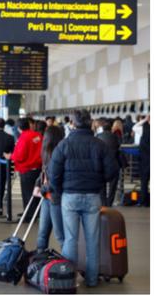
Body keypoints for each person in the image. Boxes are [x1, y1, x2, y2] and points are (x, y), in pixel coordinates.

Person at [48, 109, 119, 287]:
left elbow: (53, 172)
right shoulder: (100, 145)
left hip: (69, 197)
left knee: (71, 239)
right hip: (93, 196)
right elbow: (113, 171)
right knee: (92, 240)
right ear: (91, 122)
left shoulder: (64, 145)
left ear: (72, 123)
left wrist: (60, 190)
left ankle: (67, 279)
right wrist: (98, 181)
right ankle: (92, 280)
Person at [34, 126, 65, 251]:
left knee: (60, 235)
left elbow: (54, 179)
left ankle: (68, 265)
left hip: (54, 197)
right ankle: (39, 258)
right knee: (43, 233)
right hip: (48, 197)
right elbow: (44, 172)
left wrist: (41, 190)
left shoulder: (58, 154)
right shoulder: (48, 152)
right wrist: (38, 184)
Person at [11, 118, 43, 223]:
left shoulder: (23, 137)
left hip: (27, 170)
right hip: (38, 169)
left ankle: (29, 216)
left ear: (19, 128)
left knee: (27, 193)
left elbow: (20, 156)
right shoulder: (38, 135)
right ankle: (36, 213)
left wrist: (11, 156)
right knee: (37, 192)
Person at [96, 118, 121, 206]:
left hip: (102, 164)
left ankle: (104, 203)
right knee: (113, 185)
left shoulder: (98, 136)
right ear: (111, 128)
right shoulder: (115, 136)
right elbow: (118, 146)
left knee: (102, 184)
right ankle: (109, 202)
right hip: (113, 163)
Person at [138, 115, 150, 207]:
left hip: (145, 160)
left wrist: (144, 120)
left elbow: (134, 127)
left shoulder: (143, 129)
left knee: (144, 182)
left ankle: (144, 201)